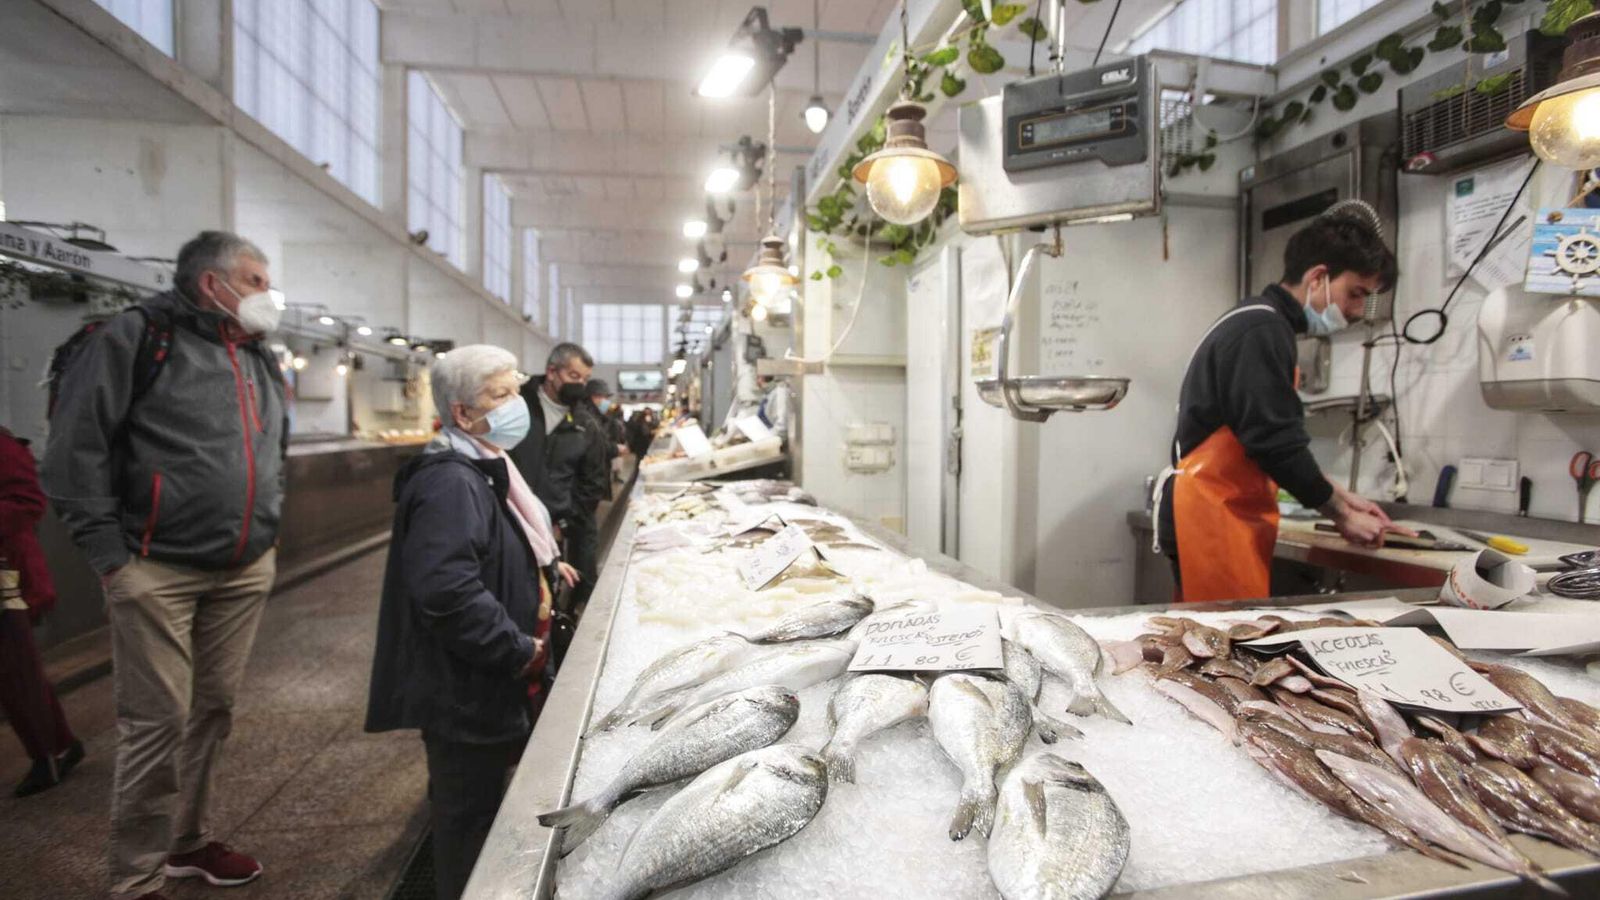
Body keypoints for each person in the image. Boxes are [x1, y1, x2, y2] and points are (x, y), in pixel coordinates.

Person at [42, 231, 287, 899]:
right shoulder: (135, 337)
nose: (271, 295)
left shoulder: (255, 353)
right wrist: (111, 558)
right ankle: (137, 875)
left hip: (242, 566)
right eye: (259, 281)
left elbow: (269, 448)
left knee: (214, 708)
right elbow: (72, 451)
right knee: (157, 721)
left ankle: (189, 842)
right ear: (215, 283)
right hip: (155, 567)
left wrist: (266, 529)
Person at [365, 345, 577, 900]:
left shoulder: (485, 467)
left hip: (483, 682)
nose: (516, 405)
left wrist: (547, 569)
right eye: (500, 395)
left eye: (515, 389)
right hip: (465, 688)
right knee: (468, 819)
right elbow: (448, 591)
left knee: (478, 807)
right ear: (462, 413)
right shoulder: (450, 482)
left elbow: (494, 551)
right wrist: (519, 649)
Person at [1154, 206, 1411, 603]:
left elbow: (1260, 435)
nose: (1358, 310)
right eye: (1355, 293)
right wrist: (1341, 515)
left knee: (1216, 641)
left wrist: (1340, 495)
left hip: (1219, 511)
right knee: (1220, 647)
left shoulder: (1259, 323)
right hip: (1211, 513)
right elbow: (1273, 441)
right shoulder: (1262, 329)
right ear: (1318, 277)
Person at [0, 425, 83, 798]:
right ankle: (61, 744)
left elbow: (29, 501)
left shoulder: (3, 445)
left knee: (16, 672)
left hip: (7, 576)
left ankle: (48, 754)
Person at [509, 345, 607, 611]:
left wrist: (563, 522)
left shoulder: (585, 424)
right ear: (552, 372)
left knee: (547, 594)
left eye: (585, 379)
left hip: (557, 526)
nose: (581, 385)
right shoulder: (516, 409)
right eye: (575, 377)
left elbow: (592, 482)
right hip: (511, 521)